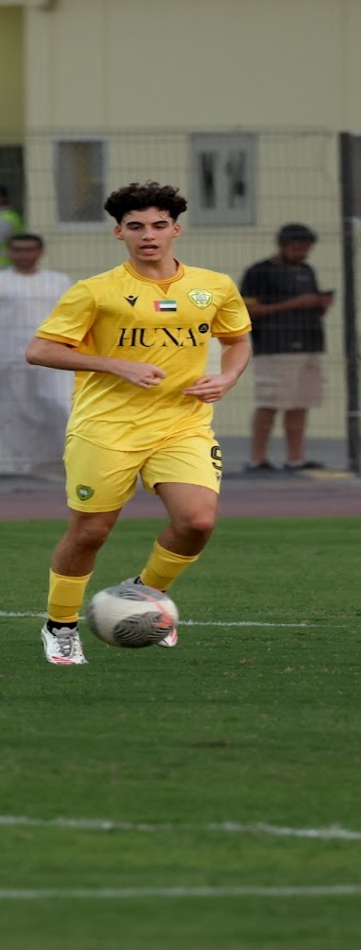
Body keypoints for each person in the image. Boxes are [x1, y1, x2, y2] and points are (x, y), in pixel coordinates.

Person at [25, 181, 252, 666]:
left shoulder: (214, 286)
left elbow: (237, 339)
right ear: (118, 233)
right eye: (135, 227)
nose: (148, 235)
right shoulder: (95, 292)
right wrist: (116, 364)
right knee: (90, 533)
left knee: (197, 522)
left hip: (183, 423)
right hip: (106, 428)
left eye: (157, 225)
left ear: (176, 229)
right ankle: (60, 625)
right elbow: (39, 350)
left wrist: (227, 378)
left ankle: (144, 594)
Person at [0, 233, 74, 475]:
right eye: (17, 250)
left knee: (61, 405)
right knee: (9, 411)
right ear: (9, 253)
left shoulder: (59, 281)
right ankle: (10, 466)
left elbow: (71, 317)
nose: (23, 255)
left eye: (29, 250)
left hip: (52, 358)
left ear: (40, 252)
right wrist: (0, 341)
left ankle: (69, 460)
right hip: (8, 358)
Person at [239, 223, 333, 472]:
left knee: (300, 402)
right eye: (296, 248)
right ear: (281, 245)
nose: (301, 253)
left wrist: (320, 304)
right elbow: (248, 310)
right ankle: (257, 459)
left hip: (308, 343)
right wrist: (295, 304)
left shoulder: (307, 271)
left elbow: (306, 304)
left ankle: (296, 458)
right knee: (269, 402)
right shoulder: (259, 272)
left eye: (306, 249)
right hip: (274, 346)